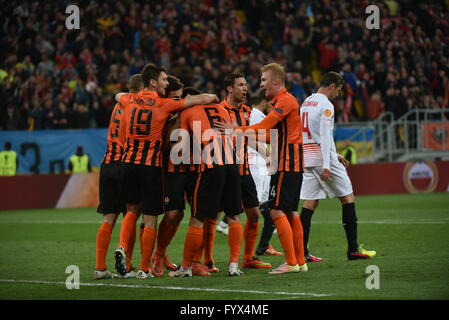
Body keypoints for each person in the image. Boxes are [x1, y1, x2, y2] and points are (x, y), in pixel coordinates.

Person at [113, 63, 218, 279]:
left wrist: (133, 95)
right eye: (163, 80)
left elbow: (118, 95)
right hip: (155, 166)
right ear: (154, 82)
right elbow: (204, 99)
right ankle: (144, 265)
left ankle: (130, 249)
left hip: (129, 163)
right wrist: (213, 97)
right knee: (151, 216)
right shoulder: (164, 104)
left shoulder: (130, 100)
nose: (166, 83)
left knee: (133, 212)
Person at [216, 63, 307, 274]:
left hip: (286, 163)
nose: (261, 85)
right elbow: (268, 135)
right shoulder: (283, 101)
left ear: (276, 81)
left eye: (264, 80)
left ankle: (291, 262)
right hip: (290, 163)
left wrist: (235, 130)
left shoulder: (284, 101)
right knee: (291, 212)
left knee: (275, 210)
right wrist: (243, 133)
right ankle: (300, 261)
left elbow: (265, 128)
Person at [299, 71, 376, 261]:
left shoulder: (306, 102)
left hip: (307, 158)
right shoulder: (326, 105)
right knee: (348, 198)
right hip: (322, 159)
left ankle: (301, 252)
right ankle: (353, 250)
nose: (338, 94)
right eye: (339, 89)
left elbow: (313, 134)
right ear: (332, 86)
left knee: (310, 203)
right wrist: (328, 163)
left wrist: (335, 154)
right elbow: (325, 136)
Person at [169, 89, 244, 277]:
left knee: (198, 218)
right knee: (233, 216)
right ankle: (234, 265)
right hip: (232, 162)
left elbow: (180, 143)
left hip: (211, 165)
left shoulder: (187, 112)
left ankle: (185, 268)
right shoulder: (221, 109)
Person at [93, 74, 144, 280]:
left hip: (107, 165)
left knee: (108, 218)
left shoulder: (118, 106)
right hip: (124, 164)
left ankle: (100, 268)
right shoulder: (135, 107)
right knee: (133, 210)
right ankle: (125, 260)